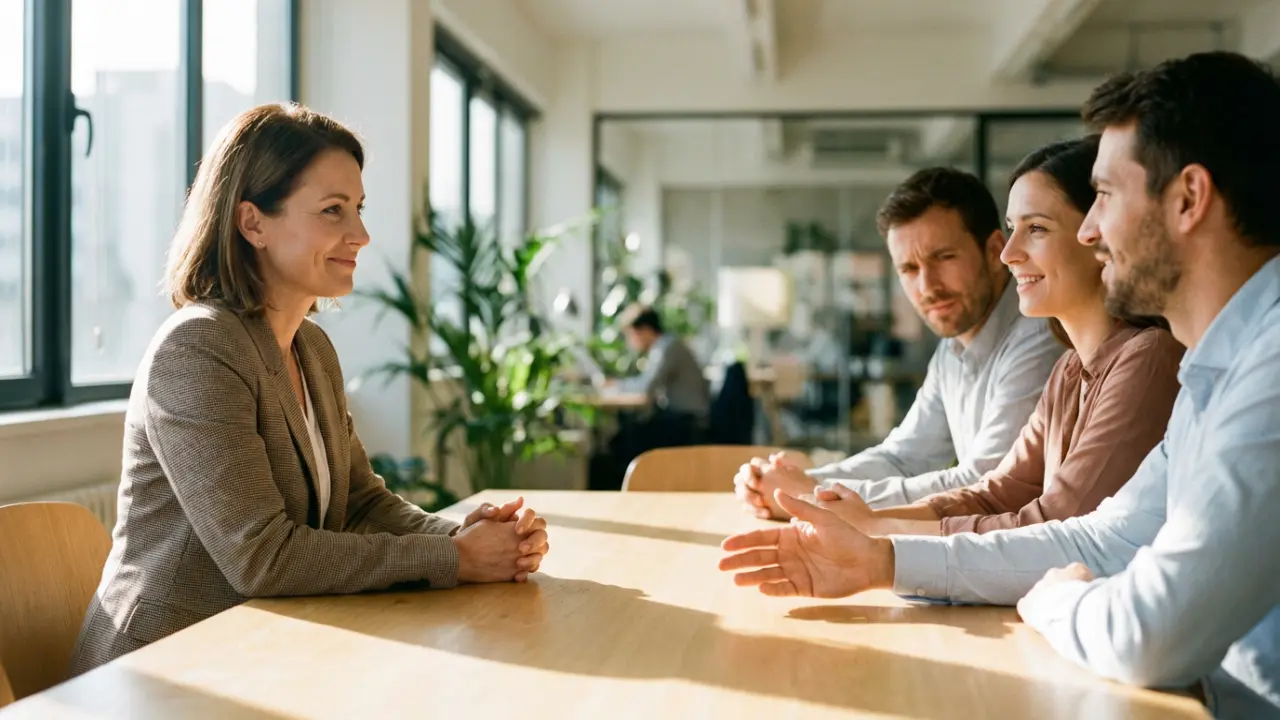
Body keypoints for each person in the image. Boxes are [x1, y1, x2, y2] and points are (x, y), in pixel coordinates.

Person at [720, 52, 1280, 718]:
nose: (1093, 230)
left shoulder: (1262, 372)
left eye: (1104, 196)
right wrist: (879, 560)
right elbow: (1102, 538)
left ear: (1188, 198)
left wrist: (1053, 596)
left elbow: (1147, 632)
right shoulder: (1213, 368)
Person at [69, 104, 551, 675]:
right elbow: (261, 557)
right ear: (253, 223)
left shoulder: (311, 349)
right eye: (332, 211)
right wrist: (454, 558)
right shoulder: (198, 349)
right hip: (162, 669)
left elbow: (362, 501)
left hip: (265, 651)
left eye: (358, 209)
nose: (362, 234)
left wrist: (471, 539)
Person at [812, 136, 1183, 537]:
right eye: (1013, 229)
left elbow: (1057, 522)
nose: (1010, 254)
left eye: (1036, 228)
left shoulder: (1148, 357)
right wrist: (872, 522)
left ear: (1098, 232)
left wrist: (884, 538)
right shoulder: (1069, 369)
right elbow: (997, 493)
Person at [737, 168, 1062, 518]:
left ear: (995, 250)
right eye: (909, 268)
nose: (927, 286)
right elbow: (903, 458)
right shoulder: (951, 351)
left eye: (943, 257)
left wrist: (813, 495)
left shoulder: (1039, 336)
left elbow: (985, 483)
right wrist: (794, 482)